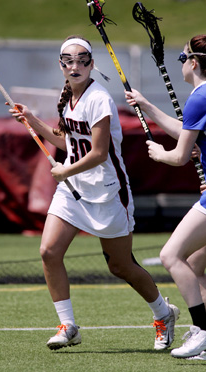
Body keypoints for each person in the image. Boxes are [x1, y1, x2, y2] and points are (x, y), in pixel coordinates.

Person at [9, 35, 179, 351]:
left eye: (82, 60)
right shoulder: (67, 96)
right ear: (61, 65)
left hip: (107, 193)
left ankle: (163, 313)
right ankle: (68, 325)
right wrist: (32, 120)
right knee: (48, 252)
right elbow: (68, 144)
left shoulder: (98, 99)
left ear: (90, 64)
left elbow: (99, 153)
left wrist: (64, 170)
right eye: (68, 61)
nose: (75, 66)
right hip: (73, 191)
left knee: (120, 266)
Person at [125, 34, 206, 359]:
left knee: (172, 255)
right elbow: (187, 130)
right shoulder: (201, 99)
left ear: (194, 63)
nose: (182, 63)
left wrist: (159, 154)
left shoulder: (199, 97)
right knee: (198, 263)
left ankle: (203, 331)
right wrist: (147, 106)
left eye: (182, 58)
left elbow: (179, 156)